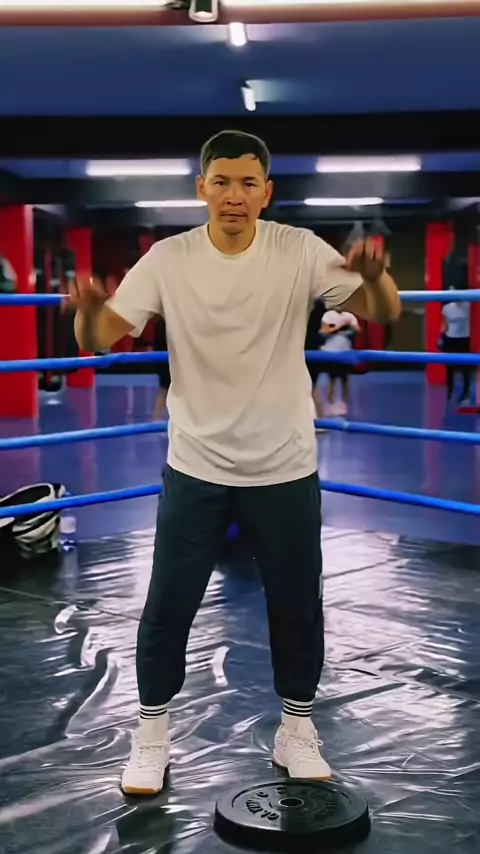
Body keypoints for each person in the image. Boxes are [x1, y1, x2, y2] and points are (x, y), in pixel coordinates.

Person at [69, 130, 401, 796]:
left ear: (266, 192)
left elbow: (383, 311)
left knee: (298, 602)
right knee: (168, 602)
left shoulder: (298, 249)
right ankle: (151, 735)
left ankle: (296, 729)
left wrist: (373, 278)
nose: (234, 195)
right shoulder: (170, 259)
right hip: (196, 463)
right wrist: (88, 314)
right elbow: (98, 340)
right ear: (202, 188)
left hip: (284, 462)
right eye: (221, 181)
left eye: (249, 183)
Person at [320, 310, 360, 416]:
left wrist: (351, 326)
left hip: (345, 351)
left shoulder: (349, 316)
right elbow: (323, 331)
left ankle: (346, 407)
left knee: (345, 381)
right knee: (331, 380)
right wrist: (337, 328)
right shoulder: (328, 315)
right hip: (332, 352)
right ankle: (330, 406)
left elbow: (358, 330)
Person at [440, 290, 472, 404]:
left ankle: (466, 393)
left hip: (464, 339)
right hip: (450, 339)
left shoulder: (468, 305)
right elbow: (444, 325)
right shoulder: (446, 308)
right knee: (449, 368)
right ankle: (450, 391)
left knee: (465, 368)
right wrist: (441, 338)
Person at [305, 298, 327, 431]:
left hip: (307, 346)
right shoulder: (318, 304)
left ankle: (321, 420)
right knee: (311, 387)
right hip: (309, 346)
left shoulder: (313, 305)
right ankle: (320, 420)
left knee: (312, 387)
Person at [152, 317, 171, 420]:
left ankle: (155, 421)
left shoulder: (162, 323)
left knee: (164, 392)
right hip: (166, 363)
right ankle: (155, 421)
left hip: (166, 362)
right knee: (164, 391)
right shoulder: (163, 324)